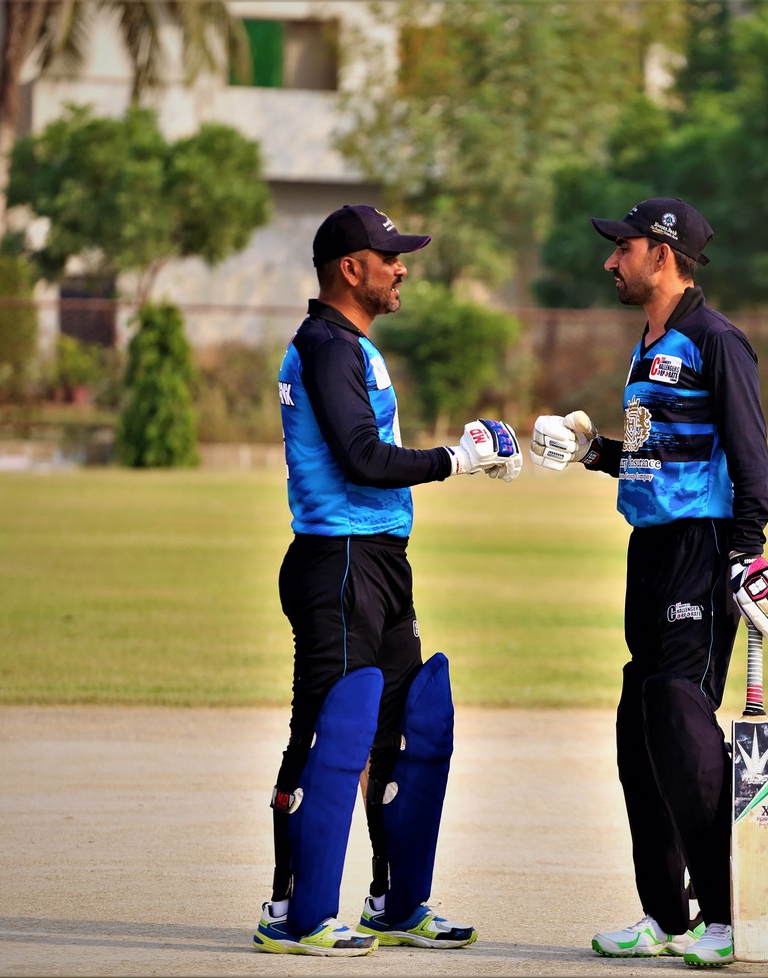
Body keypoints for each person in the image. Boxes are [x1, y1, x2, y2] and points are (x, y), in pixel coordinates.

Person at [529, 198, 768, 968]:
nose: (611, 261)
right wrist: (591, 452)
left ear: (664, 254)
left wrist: (747, 551)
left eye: (624, 248)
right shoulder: (649, 344)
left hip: (701, 548)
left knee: (679, 716)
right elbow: (653, 456)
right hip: (647, 548)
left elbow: (750, 455)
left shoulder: (717, 341)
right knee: (639, 729)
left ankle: (725, 917)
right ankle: (665, 917)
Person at [253, 204, 523, 956]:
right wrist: (457, 460)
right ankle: (294, 913)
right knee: (328, 730)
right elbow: (362, 458)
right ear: (351, 268)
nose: (402, 268)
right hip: (338, 559)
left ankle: (395, 904)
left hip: (378, 560)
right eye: (389, 256)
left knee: (405, 731)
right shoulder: (325, 346)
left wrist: (458, 456)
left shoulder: (351, 346)